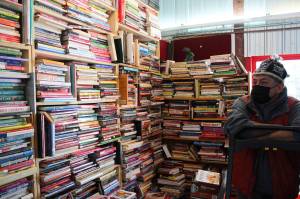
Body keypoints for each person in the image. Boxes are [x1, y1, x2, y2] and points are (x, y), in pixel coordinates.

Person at [224, 58, 300, 199]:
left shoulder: (295, 106)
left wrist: (252, 134)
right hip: (246, 186)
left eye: (264, 82)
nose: (257, 86)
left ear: (279, 87)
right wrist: (282, 130)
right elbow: (235, 128)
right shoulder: (243, 102)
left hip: (283, 185)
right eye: (256, 82)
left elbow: (298, 135)